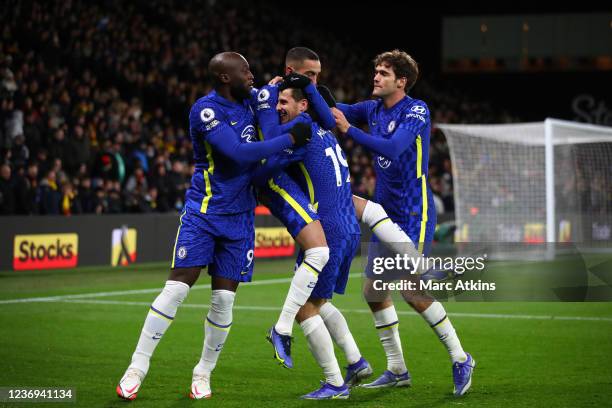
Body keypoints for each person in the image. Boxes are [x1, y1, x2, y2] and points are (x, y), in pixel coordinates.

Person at [116, 52, 311, 401]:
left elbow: (269, 110)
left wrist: (276, 91)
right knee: (177, 288)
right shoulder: (205, 111)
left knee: (223, 300)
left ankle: (203, 373)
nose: (251, 74)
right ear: (224, 77)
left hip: (240, 219)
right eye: (244, 70)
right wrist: (290, 139)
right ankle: (137, 366)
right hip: (204, 212)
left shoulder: (252, 100)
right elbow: (238, 153)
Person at [267, 47, 425, 388]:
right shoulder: (322, 129)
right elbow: (333, 114)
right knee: (320, 302)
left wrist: (264, 103)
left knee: (306, 307)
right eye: (309, 76)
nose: (313, 83)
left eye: (314, 80)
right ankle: (357, 362)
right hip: (344, 224)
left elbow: (262, 157)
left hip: (330, 230)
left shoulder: (301, 131)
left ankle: (334, 382)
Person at [333, 49, 475, 396]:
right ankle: (397, 368)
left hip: (414, 210)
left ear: (402, 80)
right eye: (376, 71)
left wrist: (349, 130)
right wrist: (305, 88)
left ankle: (461, 358)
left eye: (383, 73)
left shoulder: (416, 109)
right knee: (373, 290)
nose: (375, 78)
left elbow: (394, 148)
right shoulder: (372, 108)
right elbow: (333, 110)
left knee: (412, 290)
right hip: (384, 210)